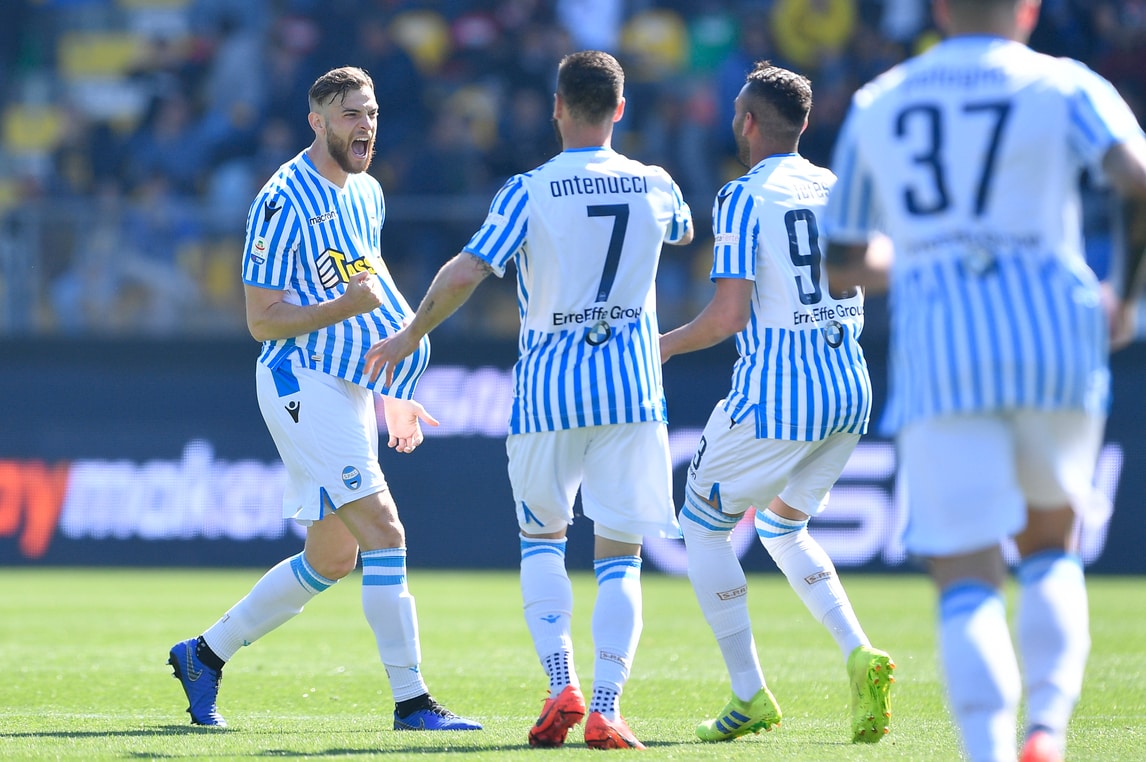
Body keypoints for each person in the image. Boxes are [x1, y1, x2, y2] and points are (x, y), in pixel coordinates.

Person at [822, 2, 1146, 760]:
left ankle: (988, 749)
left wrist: (923, 253)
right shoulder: (1064, 83)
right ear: (1028, 8)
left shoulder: (882, 99)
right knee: (1051, 543)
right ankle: (1047, 730)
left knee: (966, 571)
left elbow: (842, 261)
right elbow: (1138, 180)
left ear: (939, 9)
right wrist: (1127, 297)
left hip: (943, 349)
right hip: (1056, 337)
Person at [363, 50, 694, 750]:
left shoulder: (528, 190)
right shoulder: (656, 183)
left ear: (557, 108)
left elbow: (467, 271)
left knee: (542, 541)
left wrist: (411, 332)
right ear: (620, 108)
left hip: (549, 393)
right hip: (633, 390)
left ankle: (561, 684)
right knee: (620, 557)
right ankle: (606, 706)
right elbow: (685, 231)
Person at [167, 66, 481, 733]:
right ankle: (413, 703)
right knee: (385, 532)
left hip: (348, 383)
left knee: (332, 558)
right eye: (350, 115)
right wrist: (342, 308)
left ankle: (203, 655)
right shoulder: (282, 199)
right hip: (299, 381)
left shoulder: (367, 191)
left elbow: (375, 292)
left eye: (371, 113)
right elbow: (261, 321)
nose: (365, 126)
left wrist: (394, 389)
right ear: (317, 121)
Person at [659, 60, 895, 745]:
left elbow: (728, 317)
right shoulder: (838, 188)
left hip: (779, 395)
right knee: (783, 527)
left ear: (748, 122)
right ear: (806, 123)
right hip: (849, 390)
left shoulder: (741, 196)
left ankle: (749, 694)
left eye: (738, 113)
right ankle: (859, 652)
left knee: (702, 524)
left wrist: (662, 346)